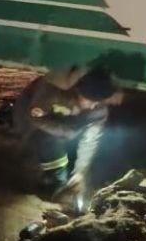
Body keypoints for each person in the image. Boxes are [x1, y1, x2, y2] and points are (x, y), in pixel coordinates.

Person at [13, 66, 122, 208]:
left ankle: (63, 175)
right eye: (90, 101)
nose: (92, 106)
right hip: (30, 118)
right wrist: (67, 132)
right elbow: (35, 119)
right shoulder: (52, 90)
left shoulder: (98, 108)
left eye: (97, 102)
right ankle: (52, 179)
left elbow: (90, 140)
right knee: (45, 147)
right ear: (79, 92)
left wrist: (81, 172)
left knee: (70, 154)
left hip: (65, 120)